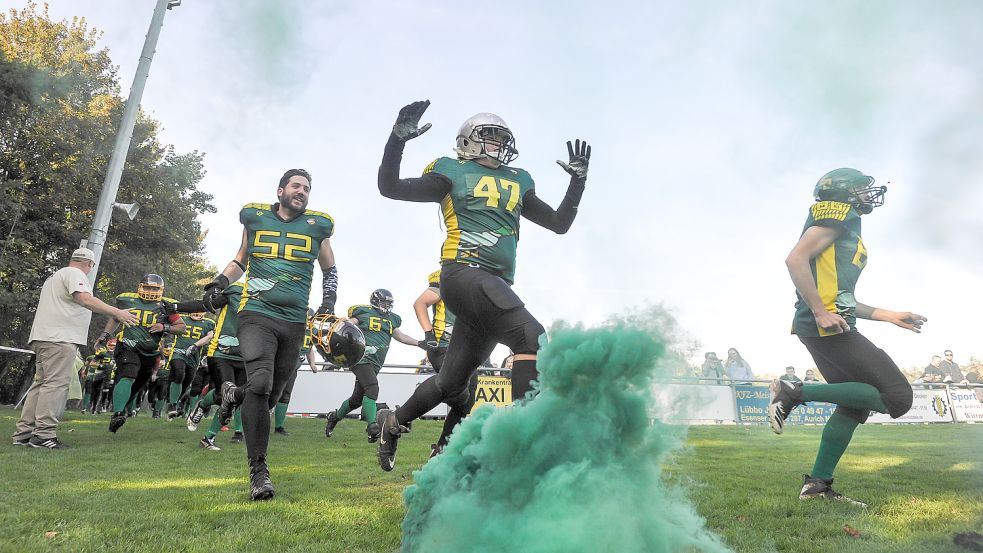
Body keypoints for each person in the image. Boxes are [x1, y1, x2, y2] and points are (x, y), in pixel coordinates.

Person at [374, 100, 590, 471]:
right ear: (468, 141)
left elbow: (558, 223)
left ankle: (393, 421)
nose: (498, 144)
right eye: (489, 136)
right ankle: (527, 441)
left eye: (502, 138)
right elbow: (390, 187)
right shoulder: (451, 171)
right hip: (464, 272)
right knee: (531, 336)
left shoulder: (518, 179)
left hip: (490, 286)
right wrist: (397, 141)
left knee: (451, 383)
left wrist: (577, 183)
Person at [770, 167, 926, 507]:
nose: (865, 194)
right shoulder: (838, 210)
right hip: (826, 325)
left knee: (854, 406)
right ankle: (792, 392)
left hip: (827, 323)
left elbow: (843, 299)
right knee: (897, 397)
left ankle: (817, 487)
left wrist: (890, 315)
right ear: (843, 192)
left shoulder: (846, 223)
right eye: (859, 188)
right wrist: (820, 311)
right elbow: (795, 259)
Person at [207, 169, 337, 500]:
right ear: (280, 191)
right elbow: (241, 259)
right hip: (256, 314)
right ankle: (258, 471)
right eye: (296, 186)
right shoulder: (255, 218)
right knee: (261, 384)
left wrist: (328, 302)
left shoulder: (318, 226)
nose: (303, 191)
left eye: (307, 188)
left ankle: (233, 395)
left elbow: (330, 269)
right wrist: (221, 282)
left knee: (270, 396)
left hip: (293, 321)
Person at [12, 247, 137, 449]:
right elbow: (84, 299)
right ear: (90, 264)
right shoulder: (75, 274)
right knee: (56, 384)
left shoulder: (55, 277)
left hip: (45, 337)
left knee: (41, 384)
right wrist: (117, 312)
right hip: (60, 339)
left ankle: (24, 433)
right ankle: (44, 435)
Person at [324, 290, 422, 441]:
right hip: (360, 358)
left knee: (356, 399)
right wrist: (339, 322)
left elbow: (401, 336)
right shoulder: (364, 312)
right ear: (375, 302)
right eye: (384, 303)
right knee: (372, 388)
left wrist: (420, 343)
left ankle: (334, 417)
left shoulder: (392, 319)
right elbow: (349, 324)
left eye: (389, 304)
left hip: (376, 362)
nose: (386, 306)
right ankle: (372, 427)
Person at [96, 273, 185, 433]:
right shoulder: (127, 300)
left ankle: (122, 408)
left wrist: (165, 327)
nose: (151, 291)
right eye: (148, 287)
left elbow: (181, 327)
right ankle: (117, 413)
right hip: (127, 346)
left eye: (154, 288)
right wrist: (105, 335)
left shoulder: (166, 305)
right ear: (140, 287)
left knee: (138, 384)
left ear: (161, 290)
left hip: (150, 352)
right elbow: (116, 318)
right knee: (128, 375)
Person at [411, 270, 477, 458]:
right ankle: (398, 419)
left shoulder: (474, 284)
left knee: (467, 400)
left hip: (463, 348)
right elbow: (420, 303)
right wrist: (428, 334)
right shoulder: (449, 277)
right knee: (455, 391)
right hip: (444, 346)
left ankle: (442, 447)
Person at [274, 309, 319, 436]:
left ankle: (279, 426)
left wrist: (312, 364)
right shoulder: (291, 325)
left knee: (285, 395)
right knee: (270, 393)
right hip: (281, 365)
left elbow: (309, 348)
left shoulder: (311, 331)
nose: (310, 320)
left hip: (293, 368)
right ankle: (257, 423)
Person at [165, 312, 215, 419]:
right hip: (178, 352)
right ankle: (172, 405)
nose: (196, 313)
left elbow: (210, 336)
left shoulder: (209, 323)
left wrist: (195, 345)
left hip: (194, 357)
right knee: (179, 374)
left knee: (186, 384)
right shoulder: (181, 318)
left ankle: (176, 402)